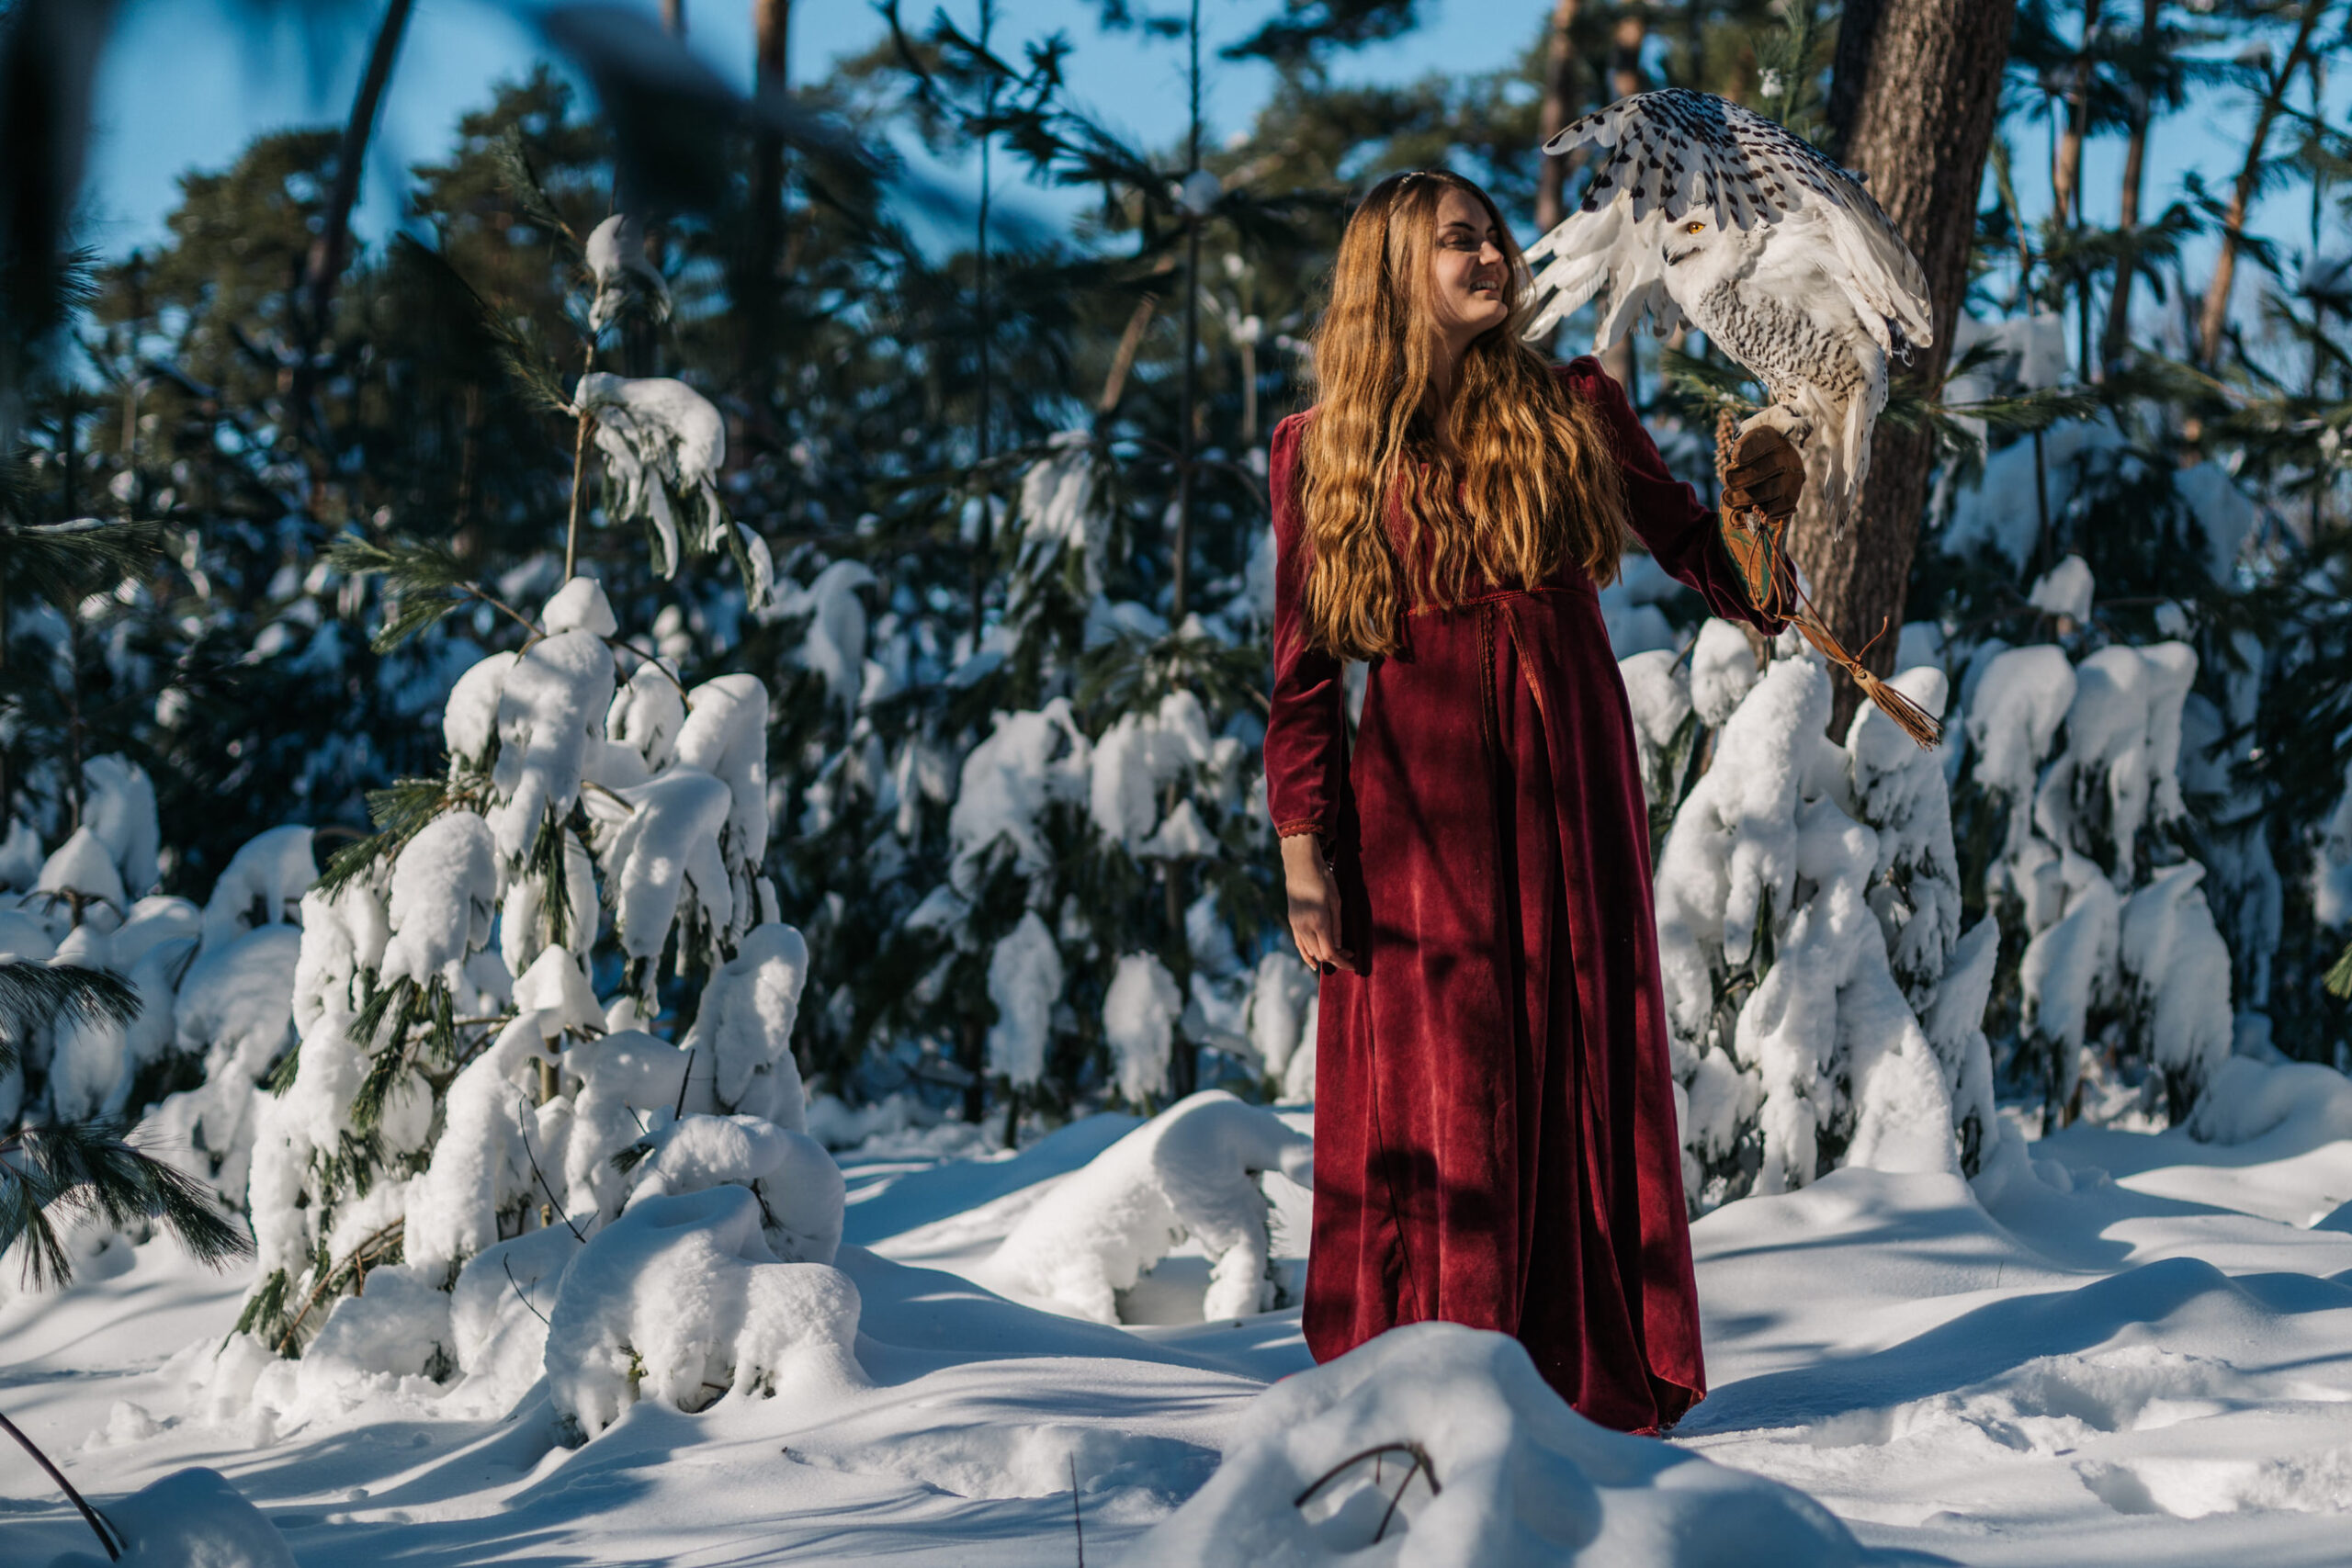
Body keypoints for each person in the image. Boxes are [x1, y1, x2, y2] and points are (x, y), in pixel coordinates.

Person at [1263, 168, 1803, 1434]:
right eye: (1459, 242)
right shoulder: (1321, 447)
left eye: (1494, 235)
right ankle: (1434, 1367)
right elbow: (1303, 670)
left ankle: (1577, 1369)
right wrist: (1303, 852)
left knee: (1573, 1053)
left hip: (1572, 782)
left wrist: (1761, 509)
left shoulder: (1574, 404)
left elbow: (1716, 566)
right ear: (1392, 275)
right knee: (1448, 1073)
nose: (1494, 256)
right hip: (1421, 803)